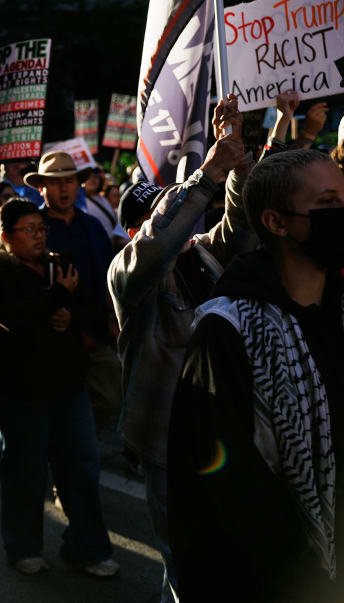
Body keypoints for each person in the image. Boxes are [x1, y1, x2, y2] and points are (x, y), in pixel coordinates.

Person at [168, 149, 344, 601]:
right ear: (276, 222)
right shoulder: (227, 330)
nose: (342, 212)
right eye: (328, 204)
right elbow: (224, 484)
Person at [109, 95, 253, 603]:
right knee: (185, 562)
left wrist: (234, 162)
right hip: (168, 442)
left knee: (234, 554)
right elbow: (157, 245)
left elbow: (239, 228)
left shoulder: (198, 257)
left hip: (223, 431)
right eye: (157, 215)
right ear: (132, 231)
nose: (177, 221)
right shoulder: (128, 275)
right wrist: (208, 170)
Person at [0, 197, 118, 578]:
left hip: (68, 386)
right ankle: (23, 547)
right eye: (29, 230)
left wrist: (68, 315)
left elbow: (90, 312)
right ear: (6, 237)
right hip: (19, 391)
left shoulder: (61, 265)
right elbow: (14, 318)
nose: (39, 237)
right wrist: (57, 298)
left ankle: (88, 548)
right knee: (26, 471)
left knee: (82, 466)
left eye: (42, 229)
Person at [24, 152, 120, 434]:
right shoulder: (32, 228)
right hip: (53, 337)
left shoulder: (92, 226)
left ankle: (79, 436)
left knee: (111, 398)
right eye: (55, 183)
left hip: (95, 330)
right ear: (41, 187)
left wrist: (113, 319)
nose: (63, 189)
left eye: (69, 181)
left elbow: (108, 275)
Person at [83, 166, 128, 248]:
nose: (93, 179)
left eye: (95, 176)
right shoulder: (79, 202)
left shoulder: (103, 199)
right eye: (88, 176)